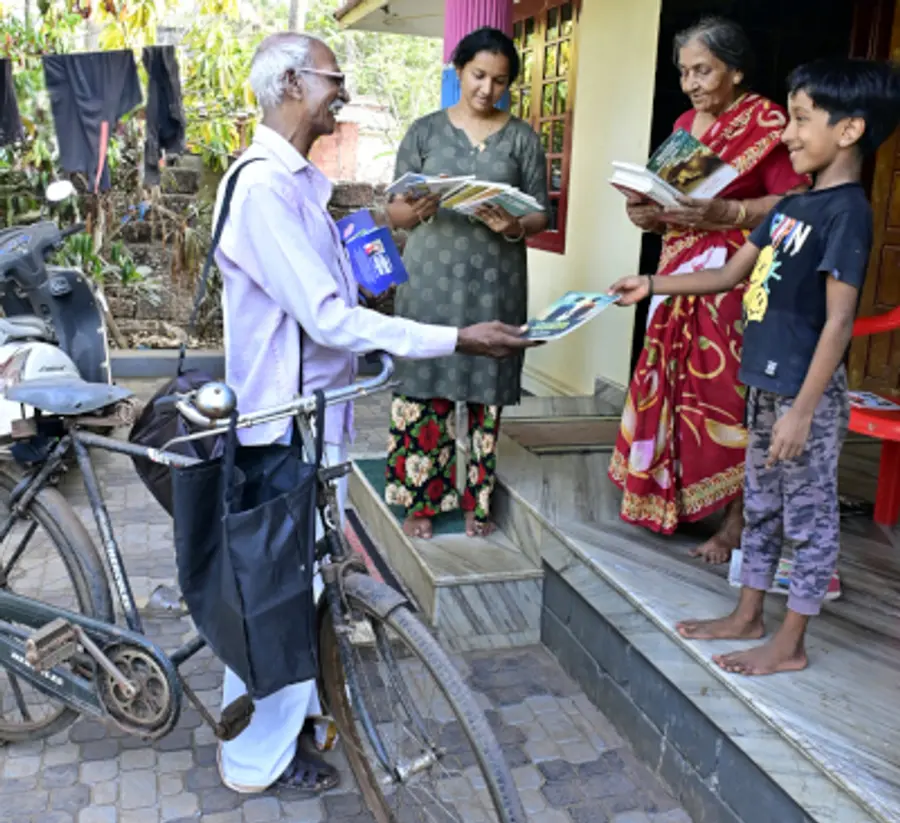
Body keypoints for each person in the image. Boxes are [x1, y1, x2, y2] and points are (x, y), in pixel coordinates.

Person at [212, 32, 538, 794]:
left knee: (303, 586)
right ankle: (259, 756)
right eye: (334, 78)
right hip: (280, 426)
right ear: (292, 83)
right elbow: (328, 319)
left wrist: (388, 232)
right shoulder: (263, 187)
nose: (344, 91)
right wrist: (455, 335)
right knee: (275, 595)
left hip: (314, 420)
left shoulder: (300, 186)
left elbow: (335, 290)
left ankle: (300, 718)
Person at [610, 57, 900, 675]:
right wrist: (652, 282)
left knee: (810, 517)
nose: (787, 134)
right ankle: (748, 614)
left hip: (806, 397)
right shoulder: (791, 208)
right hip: (764, 388)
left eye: (799, 121)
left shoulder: (847, 213)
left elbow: (840, 322)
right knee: (762, 505)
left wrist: (802, 410)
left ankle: (791, 643)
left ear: (848, 131)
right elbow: (728, 274)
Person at [608, 17, 808, 564]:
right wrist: (646, 214)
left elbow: (793, 203)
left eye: (704, 70)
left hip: (736, 281)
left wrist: (731, 212)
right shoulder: (684, 122)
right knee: (670, 389)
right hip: (678, 273)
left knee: (725, 402)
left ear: (736, 70)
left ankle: (735, 523)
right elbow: (673, 204)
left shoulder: (768, 122)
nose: (692, 83)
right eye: (685, 72)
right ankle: (670, 501)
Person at [382, 27, 549, 540]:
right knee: (424, 387)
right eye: (479, 75)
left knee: (484, 390)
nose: (487, 89)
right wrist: (410, 210)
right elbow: (394, 211)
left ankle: (480, 503)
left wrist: (515, 225)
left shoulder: (522, 138)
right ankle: (421, 502)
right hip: (429, 281)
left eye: (499, 81)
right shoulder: (426, 132)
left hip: (495, 279)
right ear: (459, 71)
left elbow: (542, 213)